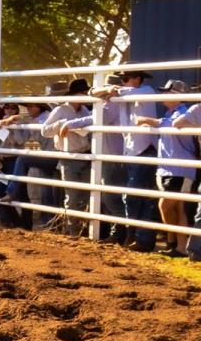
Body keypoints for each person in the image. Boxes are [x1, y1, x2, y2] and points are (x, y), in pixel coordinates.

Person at [90, 69, 158, 252]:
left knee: (135, 195)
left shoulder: (146, 91)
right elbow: (93, 92)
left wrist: (109, 89)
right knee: (140, 197)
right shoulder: (124, 94)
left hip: (144, 150)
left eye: (126, 79)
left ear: (138, 79)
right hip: (133, 151)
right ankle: (140, 238)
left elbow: (105, 92)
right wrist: (107, 90)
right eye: (121, 79)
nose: (123, 82)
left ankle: (136, 235)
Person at [59, 74, 127, 244]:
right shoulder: (111, 104)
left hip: (111, 156)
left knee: (110, 197)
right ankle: (119, 232)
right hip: (110, 154)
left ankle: (122, 231)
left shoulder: (112, 104)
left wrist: (70, 124)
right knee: (109, 196)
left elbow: (97, 118)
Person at [134, 79, 198, 257]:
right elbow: (168, 123)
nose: (162, 95)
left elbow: (172, 124)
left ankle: (173, 241)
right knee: (177, 207)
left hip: (180, 168)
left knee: (166, 206)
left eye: (166, 92)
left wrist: (149, 121)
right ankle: (179, 247)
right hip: (170, 167)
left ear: (178, 96)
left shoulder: (184, 113)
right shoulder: (172, 112)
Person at [39, 79, 92, 236]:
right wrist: (62, 124)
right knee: (73, 196)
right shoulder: (61, 111)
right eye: (82, 93)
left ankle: (79, 230)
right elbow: (45, 131)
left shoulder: (85, 111)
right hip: (69, 156)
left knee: (84, 195)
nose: (84, 96)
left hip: (85, 154)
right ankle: (72, 231)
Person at [0, 101, 57, 227]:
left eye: (31, 106)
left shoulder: (44, 117)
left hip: (20, 159)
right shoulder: (23, 121)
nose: (29, 109)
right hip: (6, 160)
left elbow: (20, 140)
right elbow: (0, 142)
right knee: (46, 189)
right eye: (6, 107)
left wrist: (14, 123)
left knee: (25, 188)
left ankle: (25, 220)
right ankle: (45, 221)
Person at [0, 103, 32, 229]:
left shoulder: (22, 123)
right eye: (7, 107)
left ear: (16, 110)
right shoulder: (0, 123)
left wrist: (13, 126)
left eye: (12, 108)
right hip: (3, 161)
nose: (9, 110)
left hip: (17, 161)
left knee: (21, 194)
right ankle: (15, 223)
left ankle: (27, 225)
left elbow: (20, 141)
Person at [175, 99, 201, 260]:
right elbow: (178, 123)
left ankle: (195, 250)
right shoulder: (198, 108)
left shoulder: (197, 108)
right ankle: (195, 250)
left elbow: (178, 123)